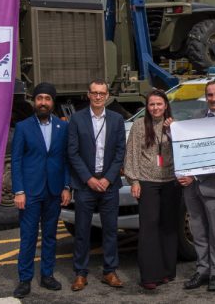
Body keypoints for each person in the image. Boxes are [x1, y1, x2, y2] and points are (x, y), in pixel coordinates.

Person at [11, 82, 71, 298]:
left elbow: (66, 159)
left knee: (50, 236)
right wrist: (19, 190)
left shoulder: (63, 127)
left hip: (54, 191)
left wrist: (66, 186)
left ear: (53, 102)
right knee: (28, 237)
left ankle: (47, 275)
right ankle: (24, 279)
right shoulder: (23, 127)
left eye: (47, 99)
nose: (43, 102)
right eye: (39, 98)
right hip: (30, 192)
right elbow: (16, 161)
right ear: (34, 101)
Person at [67, 79, 126, 291]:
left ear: (107, 95)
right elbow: (72, 152)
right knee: (82, 231)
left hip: (109, 184)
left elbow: (120, 152)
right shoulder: (76, 119)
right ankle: (80, 273)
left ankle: (109, 271)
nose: (98, 96)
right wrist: (89, 179)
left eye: (102, 93)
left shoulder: (117, 119)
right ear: (88, 95)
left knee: (110, 230)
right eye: (94, 93)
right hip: (85, 185)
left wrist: (107, 178)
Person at [125, 89, 181, 290]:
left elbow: (183, 150)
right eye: (152, 104)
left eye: (159, 104)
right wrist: (134, 180)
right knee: (149, 227)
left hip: (170, 181)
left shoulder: (174, 125)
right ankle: (149, 275)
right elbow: (131, 154)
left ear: (165, 106)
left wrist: (173, 131)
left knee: (168, 226)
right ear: (147, 107)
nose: (156, 108)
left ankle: (166, 271)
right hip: (147, 181)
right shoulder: (139, 125)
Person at [177, 80, 215, 292]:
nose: (214, 99)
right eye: (210, 95)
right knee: (198, 231)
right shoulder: (196, 117)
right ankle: (202, 269)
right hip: (191, 188)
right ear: (205, 97)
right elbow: (188, 148)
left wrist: (195, 175)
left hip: (213, 187)